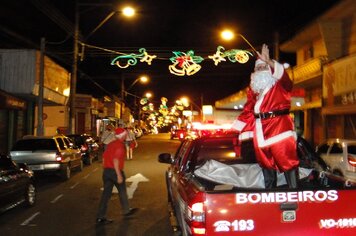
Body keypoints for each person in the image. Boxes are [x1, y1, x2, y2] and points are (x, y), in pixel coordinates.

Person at [231, 44, 299, 189]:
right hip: (260, 131)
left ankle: (295, 192)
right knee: (266, 165)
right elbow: (248, 109)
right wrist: (238, 128)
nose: (260, 71)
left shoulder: (280, 86)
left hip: (279, 128)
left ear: (270, 71)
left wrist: (269, 61)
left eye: (263, 68)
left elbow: (285, 78)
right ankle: (270, 195)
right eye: (257, 68)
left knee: (288, 162)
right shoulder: (253, 91)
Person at [96, 127, 137, 225]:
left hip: (106, 171)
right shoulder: (119, 145)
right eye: (125, 133)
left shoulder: (110, 144)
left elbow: (104, 157)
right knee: (122, 191)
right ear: (122, 135)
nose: (126, 135)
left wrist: (106, 169)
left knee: (106, 195)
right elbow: (115, 160)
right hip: (115, 171)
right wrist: (118, 175)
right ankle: (126, 210)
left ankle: (100, 216)